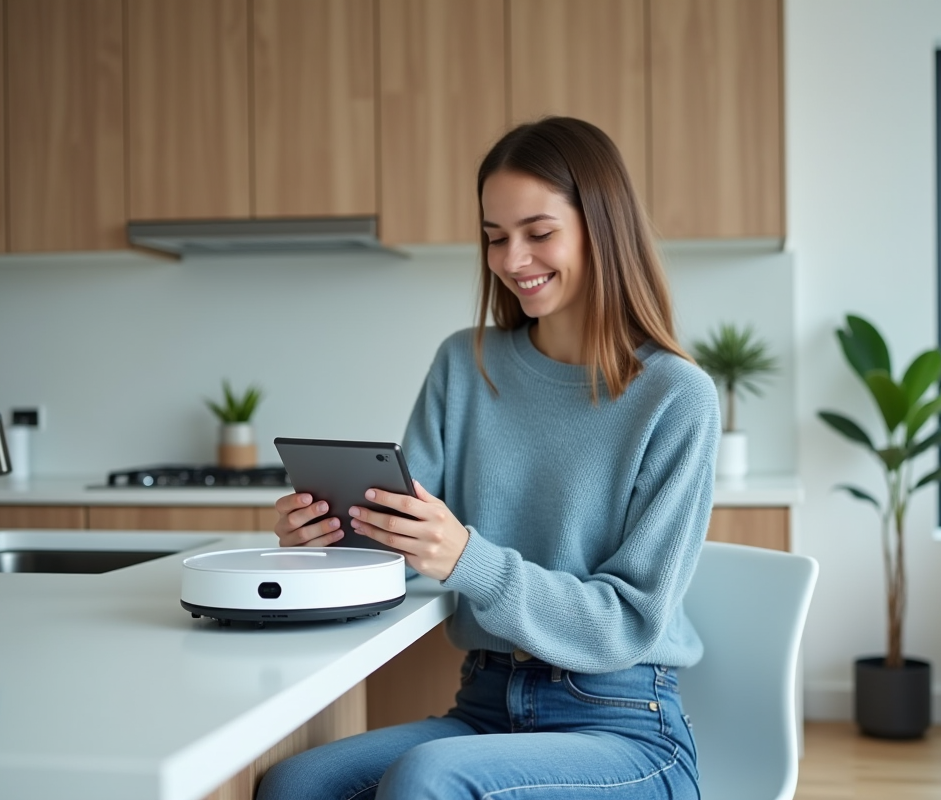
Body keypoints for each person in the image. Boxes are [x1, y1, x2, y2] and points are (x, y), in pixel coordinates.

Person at [257, 116, 720, 800]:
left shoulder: (676, 397)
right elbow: (407, 556)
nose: (512, 261)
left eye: (538, 233)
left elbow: (628, 623)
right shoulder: (464, 366)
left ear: (602, 226)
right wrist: (325, 548)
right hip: (486, 705)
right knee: (299, 782)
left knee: (427, 781)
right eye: (495, 238)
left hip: (623, 724)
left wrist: (467, 558)